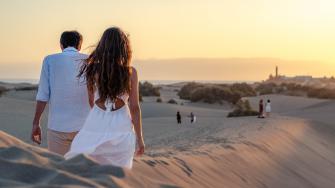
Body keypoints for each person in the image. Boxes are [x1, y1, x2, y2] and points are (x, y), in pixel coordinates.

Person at [65, 27, 144, 169]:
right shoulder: (131, 72)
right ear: (123, 48)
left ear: (102, 46)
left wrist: (101, 116)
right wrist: (140, 139)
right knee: (120, 167)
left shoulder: (92, 69)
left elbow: (91, 101)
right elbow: (134, 108)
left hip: (96, 118)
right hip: (121, 121)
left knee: (89, 159)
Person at [31, 31, 90, 155]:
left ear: (61, 45)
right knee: (84, 170)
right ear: (79, 46)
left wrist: (36, 123)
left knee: (59, 167)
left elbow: (43, 95)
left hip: (57, 126)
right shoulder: (90, 60)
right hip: (86, 127)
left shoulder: (49, 60)